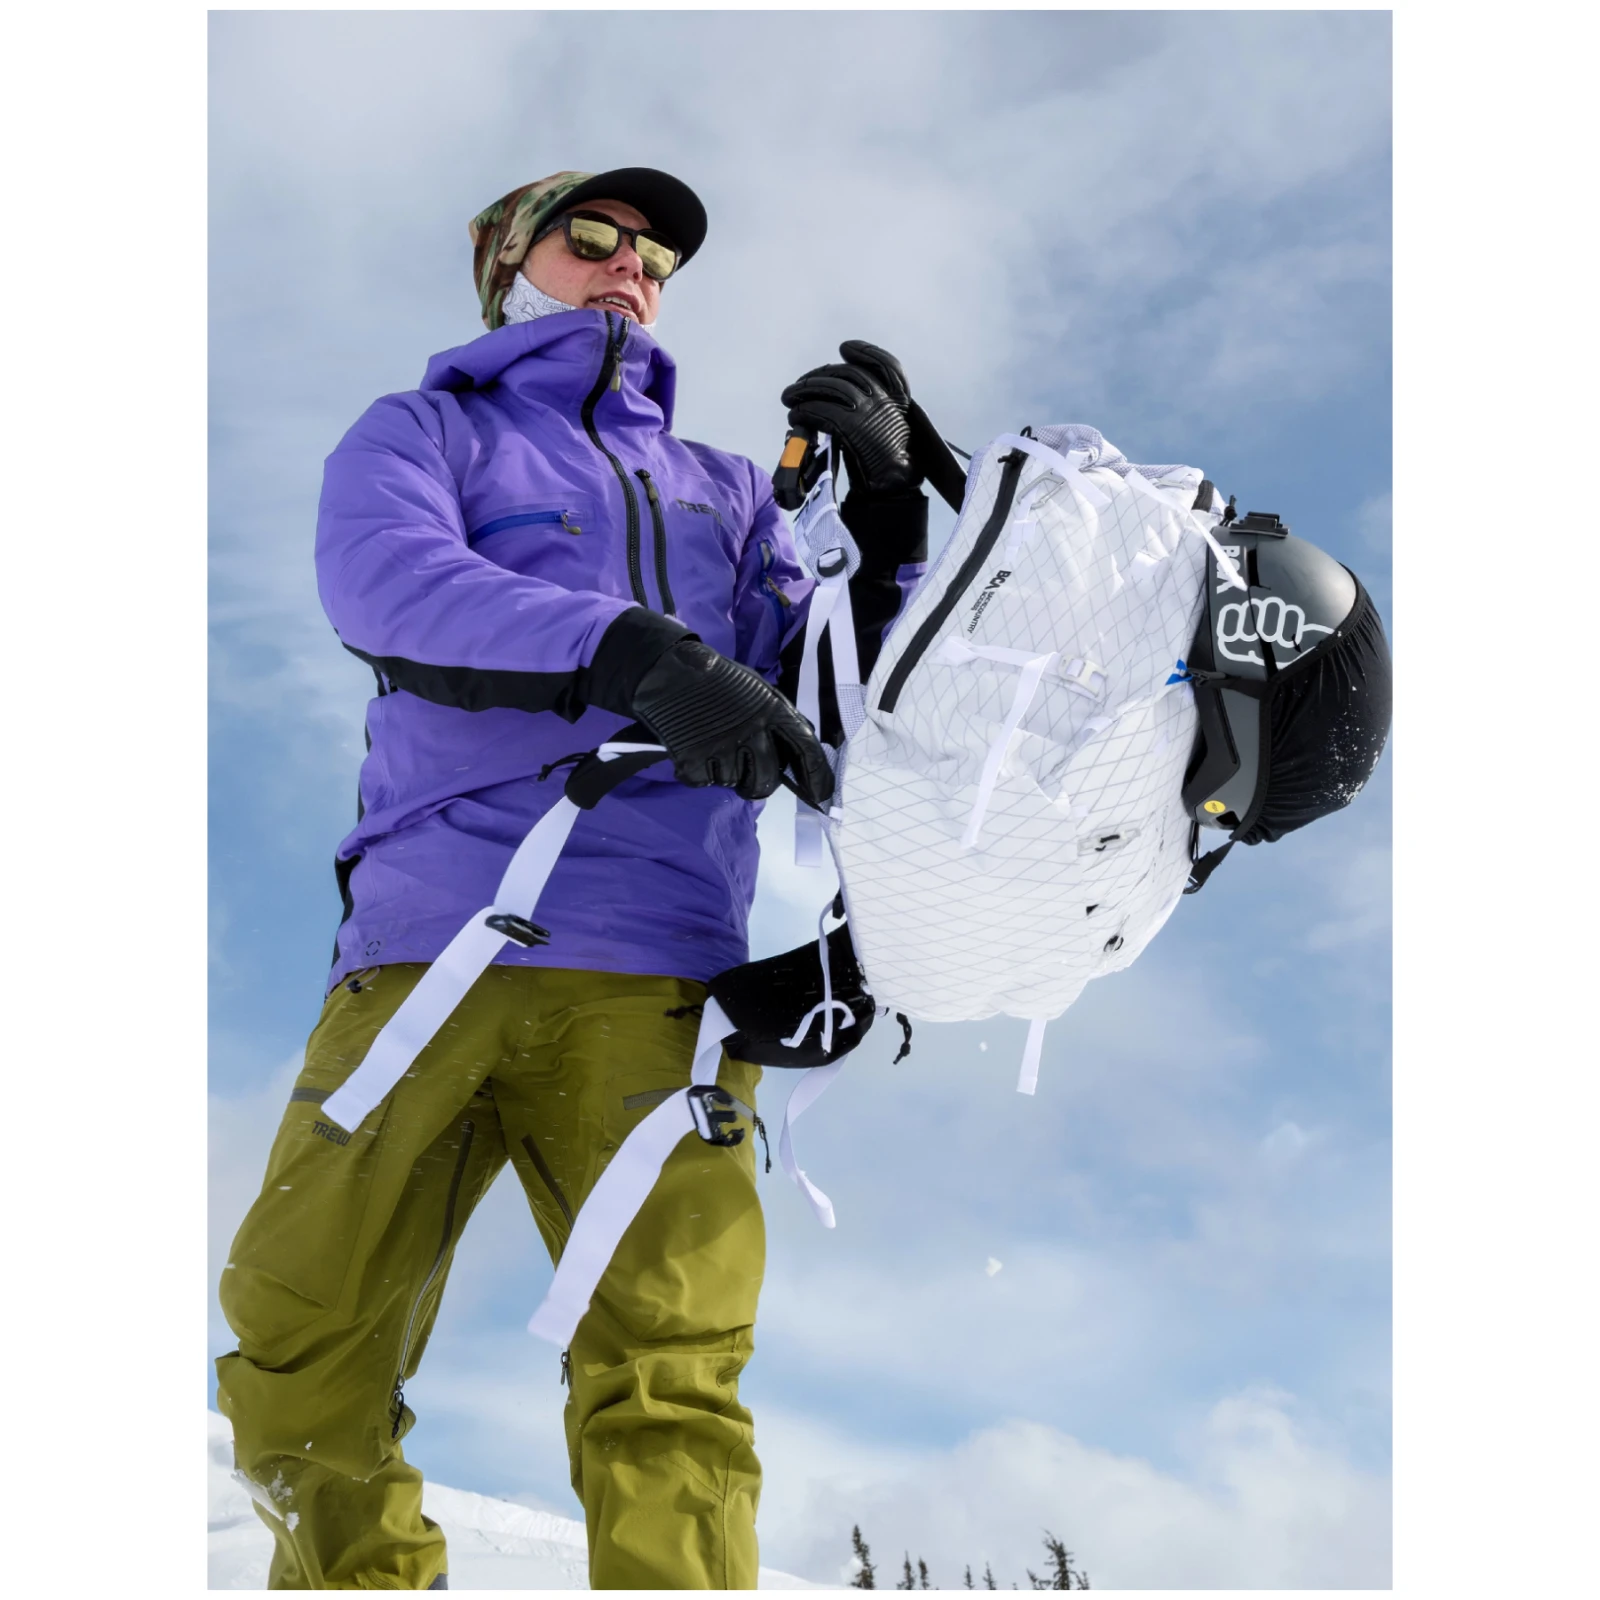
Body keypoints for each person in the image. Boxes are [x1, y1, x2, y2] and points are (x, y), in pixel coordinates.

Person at [215, 166, 939, 1590]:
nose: (630, 268)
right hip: (434, 952)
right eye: (593, 236)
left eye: (655, 257)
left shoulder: (735, 495)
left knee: (671, 1374)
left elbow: (840, 706)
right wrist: (629, 651)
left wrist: (893, 529)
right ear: (508, 266)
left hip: (663, 975)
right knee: (304, 1342)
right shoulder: (424, 431)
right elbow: (387, 585)